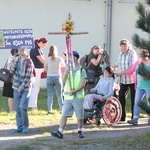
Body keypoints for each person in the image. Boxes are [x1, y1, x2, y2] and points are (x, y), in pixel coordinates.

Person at [51, 50, 87, 139]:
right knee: (64, 114)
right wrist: (66, 71)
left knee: (79, 115)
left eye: (70, 57)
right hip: (68, 97)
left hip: (78, 96)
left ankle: (80, 131)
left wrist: (74, 91)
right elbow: (62, 80)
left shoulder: (82, 69)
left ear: (75, 58)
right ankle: (60, 131)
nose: (68, 59)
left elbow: (83, 84)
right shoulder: (68, 68)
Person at [117, 48, 150, 125]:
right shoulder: (137, 63)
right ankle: (135, 118)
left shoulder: (149, 62)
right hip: (139, 86)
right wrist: (120, 73)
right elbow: (131, 71)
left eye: (141, 54)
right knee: (137, 102)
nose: (139, 55)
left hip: (148, 86)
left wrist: (147, 76)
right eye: (138, 54)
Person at [112, 39, 138, 122]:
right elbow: (117, 64)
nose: (123, 47)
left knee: (134, 99)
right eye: (122, 46)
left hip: (132, 79)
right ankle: (122, 116)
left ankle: (134, 117)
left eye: (125, 45)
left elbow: (132, 66)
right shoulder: (121, 54)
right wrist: (111, 69)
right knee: (121, 96)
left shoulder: (132, 53)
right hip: (123, 80)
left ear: (128, 45)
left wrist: (122, 73)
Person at [10, 48, 34, 133]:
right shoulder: (16, 60)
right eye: (19, 50)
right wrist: (14, 63)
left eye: (22, 50)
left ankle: (25, 125)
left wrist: (22, 87)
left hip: (26, 87)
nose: (20, 52)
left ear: (25, 50)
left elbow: (28, 76)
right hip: (16, 86)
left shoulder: (29, 61)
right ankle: (19, 126)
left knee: (22, 107)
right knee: (17, 108)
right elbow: (11, 71)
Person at [44, 45, 66, 114]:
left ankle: (49, 110)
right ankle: (61, 110)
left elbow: (45, 69)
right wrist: (59, 66)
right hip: (57, 76)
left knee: (50, 94)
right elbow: (64, 66)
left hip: (49, 76)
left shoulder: (47, 59)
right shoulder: (59, 59)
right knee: (59, 95)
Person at [28, 38, 48, 109]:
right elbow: (42, 61)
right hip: (36, 69)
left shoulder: (38, 49)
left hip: (38, 69)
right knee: (35, 88)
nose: (44, 46)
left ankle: (33, 105)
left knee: (36, 88)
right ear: (41, 42)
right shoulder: (35, 49)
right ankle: (32, 105)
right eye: (44, 45)